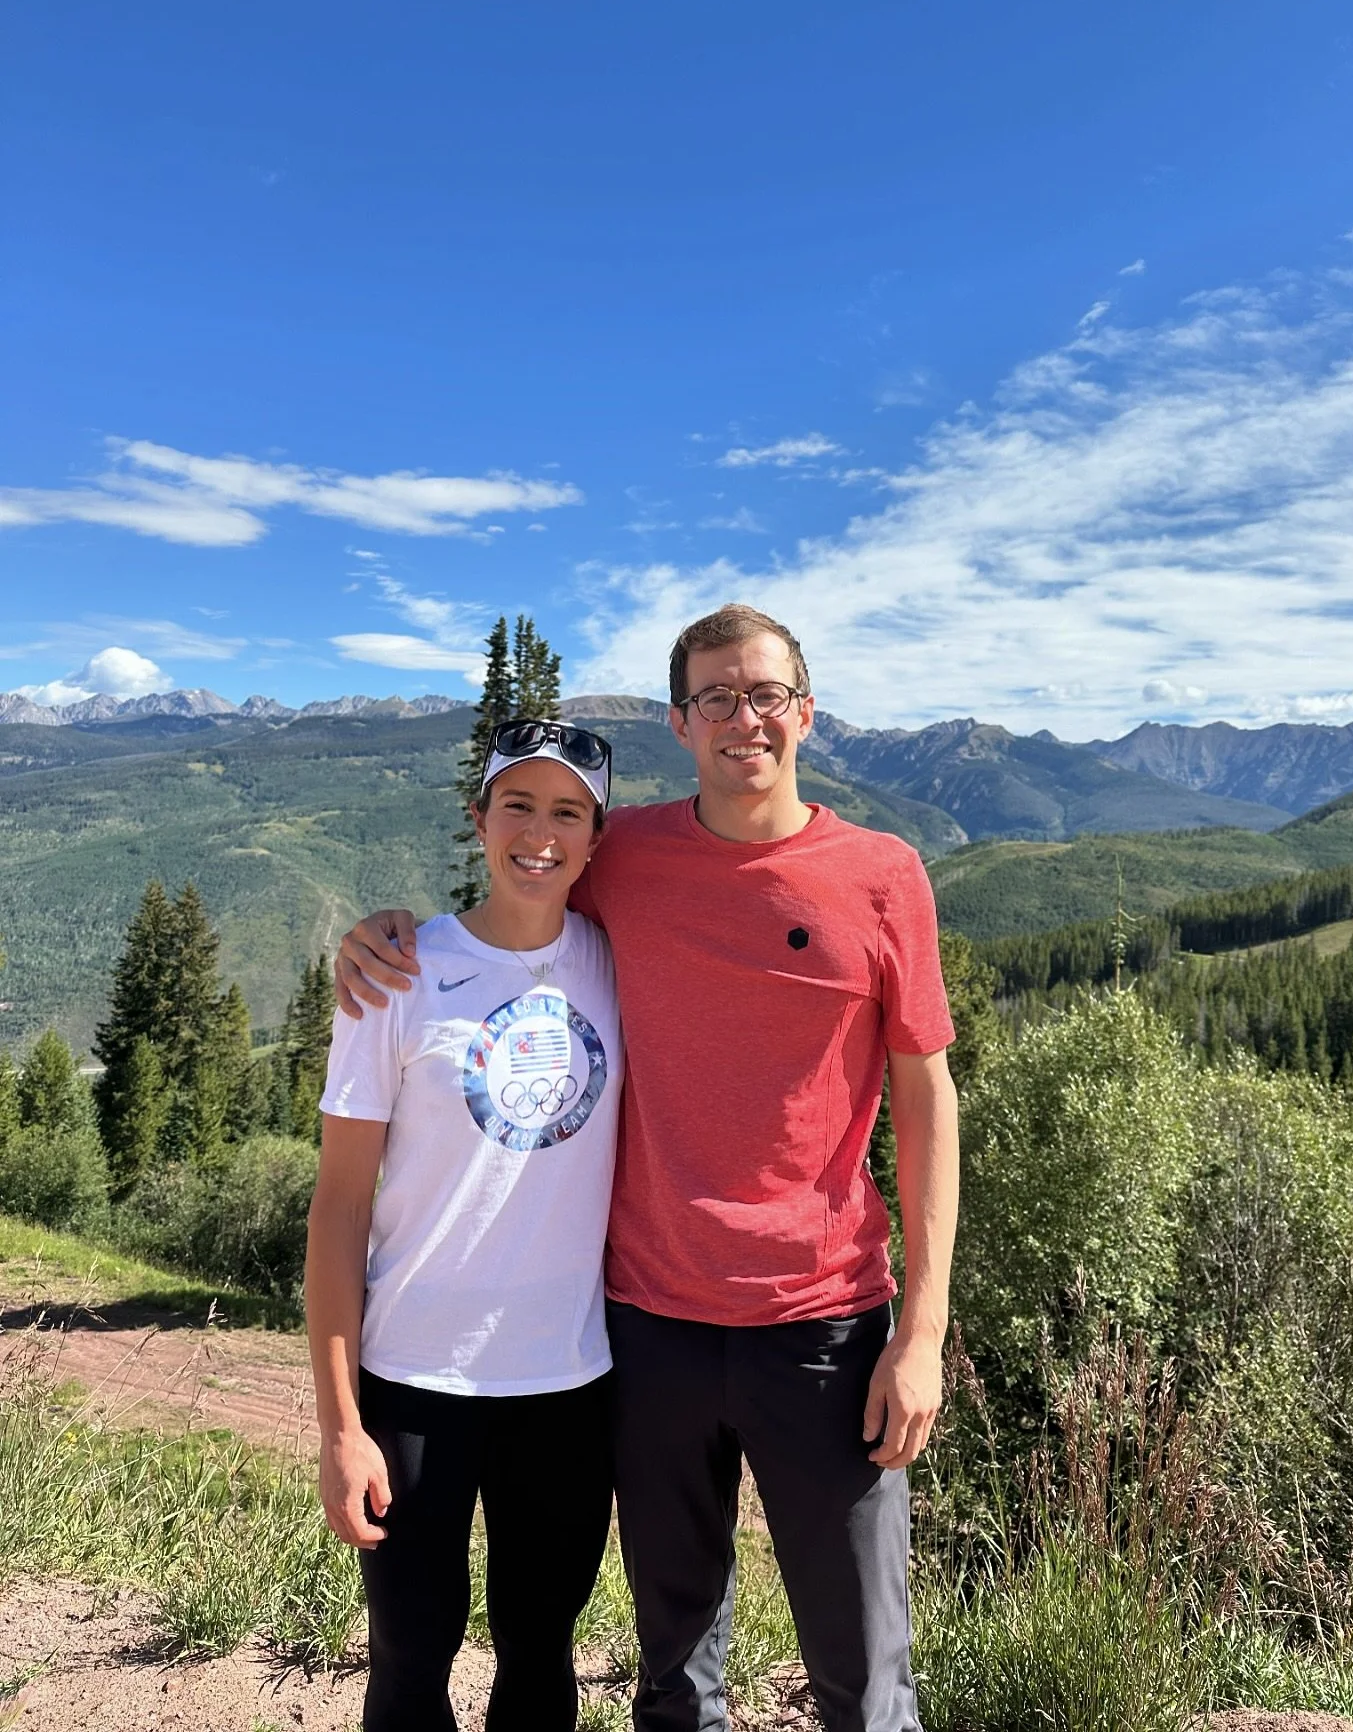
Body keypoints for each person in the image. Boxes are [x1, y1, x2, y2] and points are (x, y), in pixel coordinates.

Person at [336, 603, 960, 1732]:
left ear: (805, 713)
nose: (742, 717)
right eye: (715, 696)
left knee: (866, 1683)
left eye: (764, 693)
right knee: (674, 1676)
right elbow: (523, 878)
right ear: (680, 722)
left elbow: (926, 1101)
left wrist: (921, 1334)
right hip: (647, 1330)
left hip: (823, 1324)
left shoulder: (883, 874)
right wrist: (379, 935)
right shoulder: (628, 858)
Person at [306, 718, 624, 1732]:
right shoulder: (394, 978)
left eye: (567, 811)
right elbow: (338, 1209)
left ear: (596, 835)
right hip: (414, 1386)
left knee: (541, 1655)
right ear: (478, 819)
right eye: (517, 805)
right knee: (410, 1656)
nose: (540, 832)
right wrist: (340, 1428)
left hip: (569, 1384)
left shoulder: (621, 967)